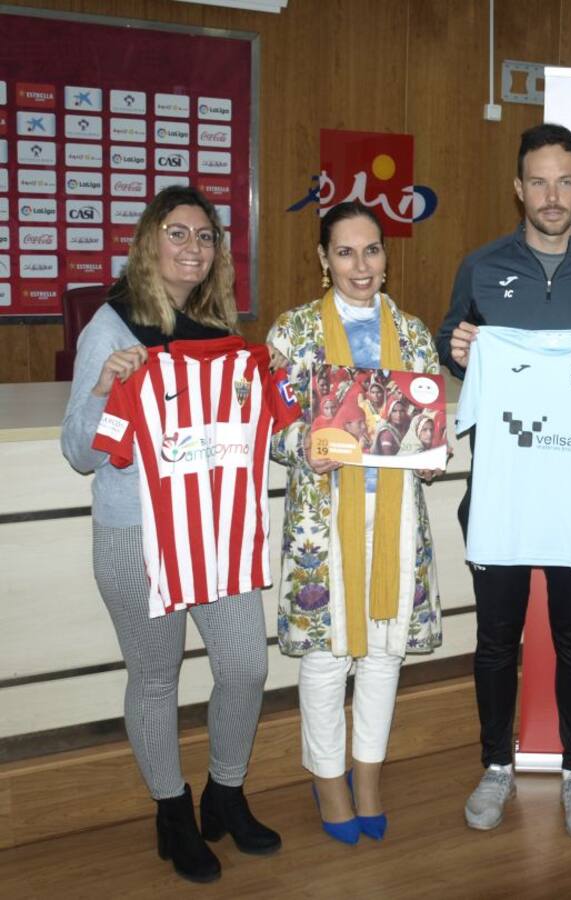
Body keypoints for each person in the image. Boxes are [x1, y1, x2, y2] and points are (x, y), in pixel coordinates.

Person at [435, 122, 571, 839]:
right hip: (502, 496)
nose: (552, 195)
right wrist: (459, 346)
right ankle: (496, 764)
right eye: (538, 181)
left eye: (565, 181)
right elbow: (452, 344)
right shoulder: (481, 267)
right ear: (518, 188)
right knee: (497, 639)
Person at [60, 186, 280, 883]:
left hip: (213, 530)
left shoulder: (219, 327)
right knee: (156, 679)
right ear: (150, 242)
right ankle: (172, 814)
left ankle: (225, 791)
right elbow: (77, 452)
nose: (193, 247)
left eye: (206, 236)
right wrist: (102, 389)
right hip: (138, 535)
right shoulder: (113, 327)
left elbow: (252, 429)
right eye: (178, 232)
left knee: (246, 665)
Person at [268, 200, 444, 845]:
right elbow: (272, 430)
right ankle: (329, 779)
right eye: (345, 252)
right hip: (323, 518)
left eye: (372, 250)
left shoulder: (415, 334)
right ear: (323, 259)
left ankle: (369, 775)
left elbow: (427, 426)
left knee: (384, 654)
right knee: (326, 657)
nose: (360, 265)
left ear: (386, 256)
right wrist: (301, 446)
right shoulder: (294, 335)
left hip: (397, 517)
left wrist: (430, 455)